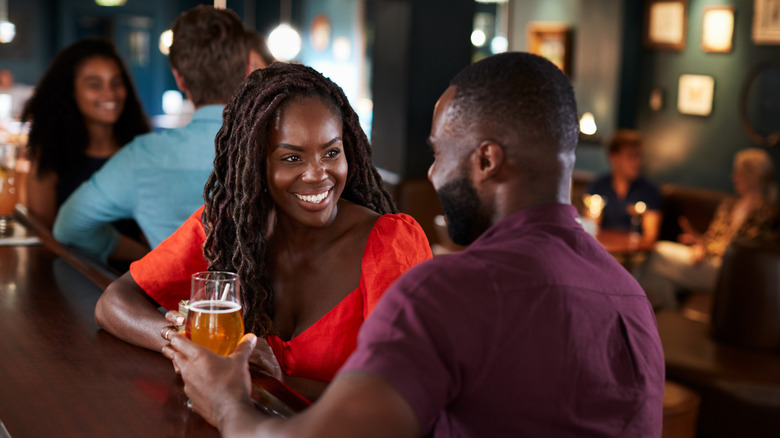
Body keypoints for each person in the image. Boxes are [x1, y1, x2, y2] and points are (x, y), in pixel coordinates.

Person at [163, 52, 665, 437]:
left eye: (439, 153)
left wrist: (228, 402)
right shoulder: (633, 301)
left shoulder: (446, 292)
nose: (431, 173)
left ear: (486, 161)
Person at [94, 62, 432, 401]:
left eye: (331, 152)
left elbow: (404, 397)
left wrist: (271, 381)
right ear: (257, 164)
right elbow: (114, 303)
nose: (318, 175)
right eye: (291, 158)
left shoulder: (391, 243)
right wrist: (185, 345)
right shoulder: (226, 228)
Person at [53, 6, 253, 263]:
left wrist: (148, 258)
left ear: (179, 78)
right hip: (270, 302)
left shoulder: (142, 157)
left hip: (172, 302)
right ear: (248, 67)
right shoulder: (282, 148)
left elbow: (68, 226)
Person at [21, 39, 149, 248]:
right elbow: (45, 234)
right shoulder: (50, 155)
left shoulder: (138, 148)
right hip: (74, 273)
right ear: (70, 91)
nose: (110, 94)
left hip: (136, 276)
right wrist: (141, 255)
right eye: (94, 84)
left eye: (116, 83)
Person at [637, 148, 778, 310]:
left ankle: (641, 313)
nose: (734, 177)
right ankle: (669, 319)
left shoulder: (767, 213)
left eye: (739, 172)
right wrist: (699, 243)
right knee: (658, 276)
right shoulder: (729, 204)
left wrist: (706, 247)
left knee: (658, 252)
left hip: (730, 269)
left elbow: (744, 250)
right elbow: (713, 237)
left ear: (754, 176)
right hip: (709, 261)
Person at [587, 129, 662, 245]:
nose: (637, 162)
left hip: (635, 257)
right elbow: (591, 228)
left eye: (639, 156)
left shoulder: (649, 190)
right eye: (631, 156)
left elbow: (650, 237)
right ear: (614, 158)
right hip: (604, 251)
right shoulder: (598, 186)